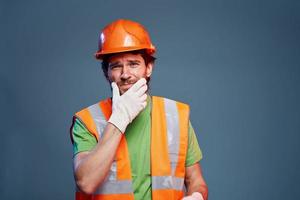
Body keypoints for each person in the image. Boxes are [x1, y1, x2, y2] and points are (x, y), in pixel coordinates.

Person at [70, 19, 208, 200]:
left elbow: (196, 182)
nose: (125, 74)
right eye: (116, 66)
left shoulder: (175, 116)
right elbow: (86, 182)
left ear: (148, 68)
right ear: (107, 73)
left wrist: (196, 196)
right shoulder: (87, 121)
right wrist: (119, 118)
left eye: (133, 64)